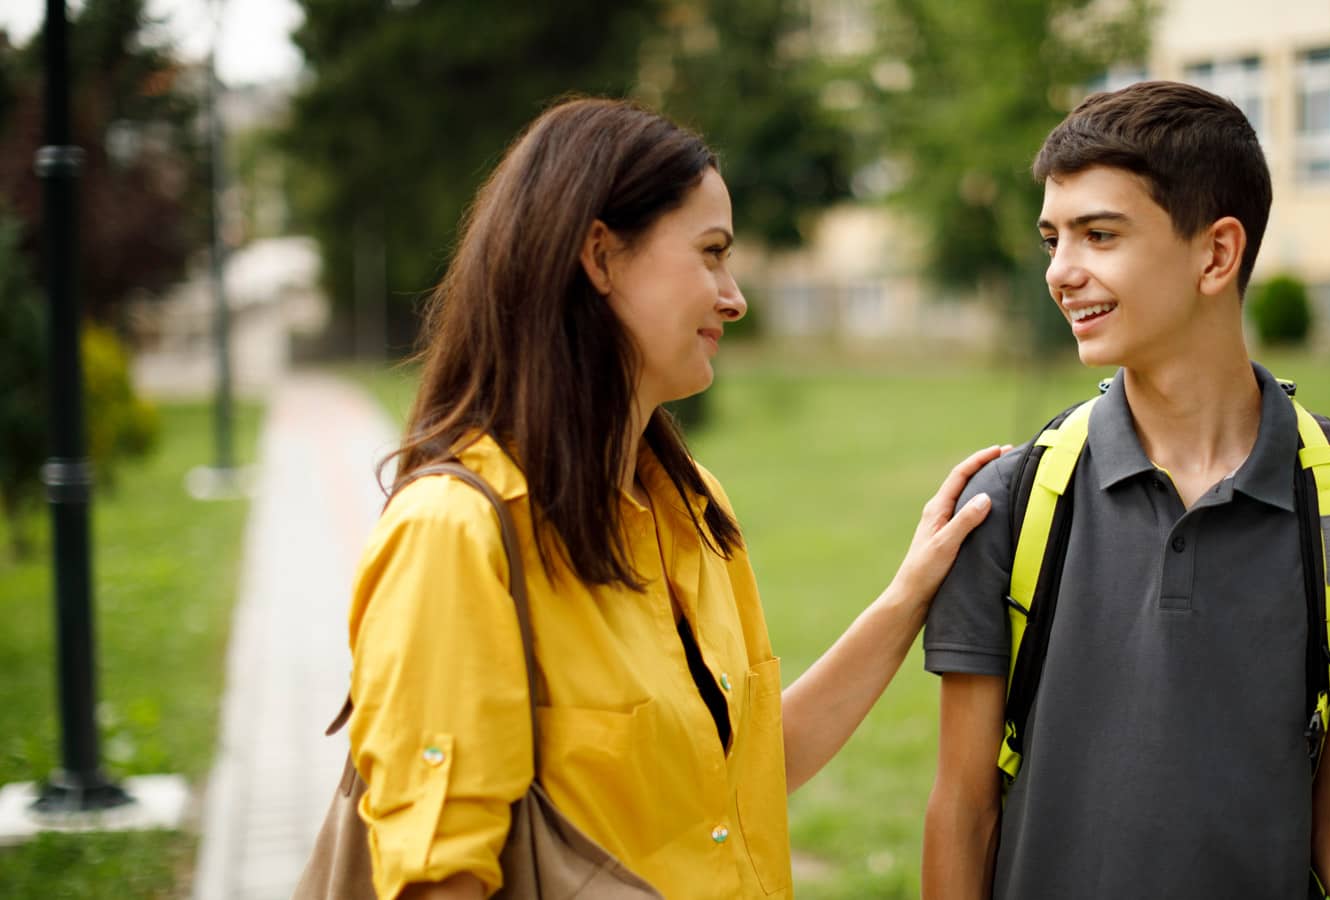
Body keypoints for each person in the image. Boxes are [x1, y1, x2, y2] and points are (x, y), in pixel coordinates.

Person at [346, 97, 1002, 900]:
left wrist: (910, 595)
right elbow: (436, 878)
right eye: (711, 253)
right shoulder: (455, 533)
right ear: (601, 257)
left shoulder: (693, 510)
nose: (735, 298)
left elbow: (754, 767)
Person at [920, 81, 1330, 899]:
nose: (1062, 271)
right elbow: (964, 810)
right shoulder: (1009, 504)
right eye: (1053, 238)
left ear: (1217, 254)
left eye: (1100, 235)